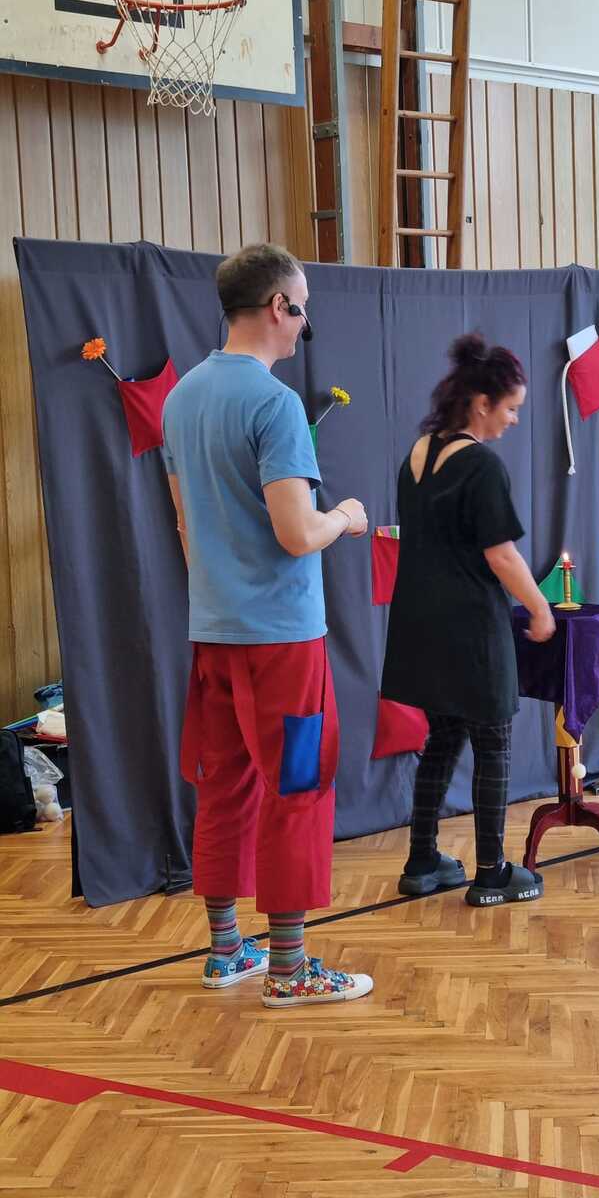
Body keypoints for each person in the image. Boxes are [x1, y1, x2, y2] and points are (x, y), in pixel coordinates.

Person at [162, 242, 374, 1008]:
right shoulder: (275, 404)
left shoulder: (180, 398)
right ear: (280, 307)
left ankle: (226, 950)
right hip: (282, 642)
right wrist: (344, 516)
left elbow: (186, 527)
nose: (303, 325)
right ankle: (289, 968)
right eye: (302, 310)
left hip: (215, 632)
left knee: (223, 785)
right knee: (298, 788)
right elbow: (295, 533)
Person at [381, 333, 556, 906]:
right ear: (482, 403)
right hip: (470, 627)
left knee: (442, 738)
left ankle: (421, 860)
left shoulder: (417, 454)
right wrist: (539, 607)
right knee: (493, 743)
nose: (513, 419)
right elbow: (501, 555)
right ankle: (491, 872)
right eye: (510, 408)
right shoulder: (481, 465)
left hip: (419, 624)